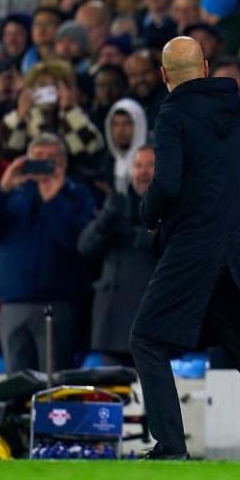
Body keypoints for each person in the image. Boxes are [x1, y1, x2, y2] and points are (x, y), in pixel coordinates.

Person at [130, 37, 240, 461]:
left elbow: (166, 185)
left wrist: (148, 214)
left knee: (146, 340)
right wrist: (225, 220)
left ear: (165, 75)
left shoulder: (172, 114)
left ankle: (170, 446)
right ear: (205, 67)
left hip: (190, 245)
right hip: (231, 246)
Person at [0, 133, 96, 373]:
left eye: (51, 158)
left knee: (53, 386)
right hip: (12, 304)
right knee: (16, 386)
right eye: (38, 157)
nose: (44, 163)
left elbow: (78, 242)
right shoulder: (12, 195)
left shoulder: (77, 194)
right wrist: (2, 186)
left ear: (64, 163)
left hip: (57, 306)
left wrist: (53, 201)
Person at [79, 145, 156, 366]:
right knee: (115, 395)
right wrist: (106, 221)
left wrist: (138, 235)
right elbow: (85, 247)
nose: (143, 172)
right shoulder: (117, 205)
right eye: (138, 165)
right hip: (113, 323)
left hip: (154, 320)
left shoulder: (175, 205)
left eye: (151, 165)